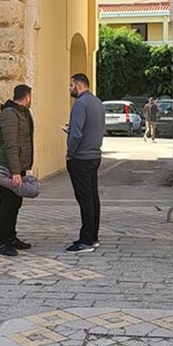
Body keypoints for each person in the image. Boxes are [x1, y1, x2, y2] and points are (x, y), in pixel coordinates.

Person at [65, 74, 105, 253]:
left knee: (85, 199)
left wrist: (69, 154)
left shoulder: (80, 104)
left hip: (80, 157)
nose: (69, 88)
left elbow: (77, 134)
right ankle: (92, 236)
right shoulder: (97, 102)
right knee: (93, 197)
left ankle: (86, 241)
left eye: (71, 85)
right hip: (94, 155)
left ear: (79, 85)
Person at [0, 84, 35, 257]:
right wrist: (16, 172)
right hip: (8, 168)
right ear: (27, 97)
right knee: (7, 204)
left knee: (15, 204)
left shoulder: (22, 113)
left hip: (18, 166)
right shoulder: (10, 115)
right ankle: (3, 242)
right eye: (31, 97)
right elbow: (10, 145)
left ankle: (11, 237)